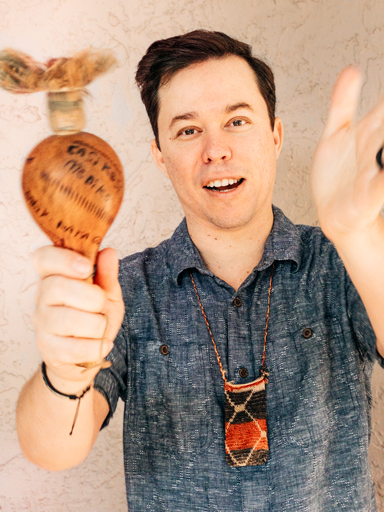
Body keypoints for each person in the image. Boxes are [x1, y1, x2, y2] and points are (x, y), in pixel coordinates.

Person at [16, 30, 384, 511]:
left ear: (274, 136)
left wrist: (356, 235)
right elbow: (53, 450)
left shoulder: (341, 262)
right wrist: (65, 373)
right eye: (188, 130)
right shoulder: (122, 287)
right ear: (160, 156)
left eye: (236, 121)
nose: (216, 150)